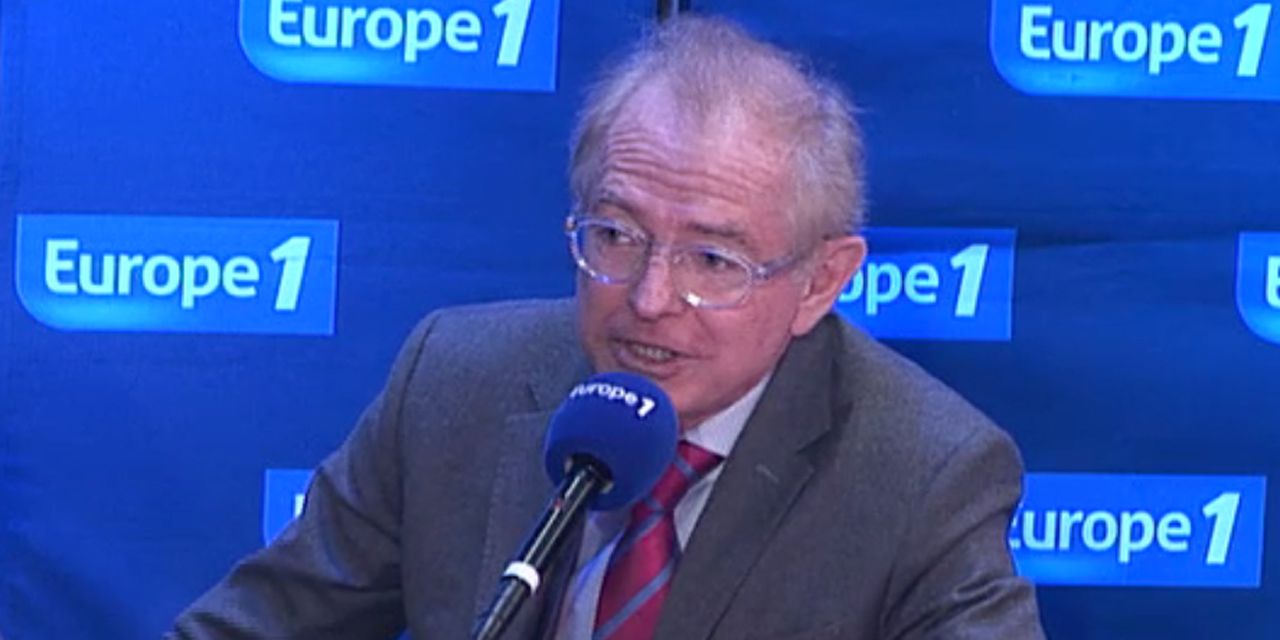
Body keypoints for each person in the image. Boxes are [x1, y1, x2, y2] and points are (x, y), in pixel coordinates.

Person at [170, 15, 1045, 640]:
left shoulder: (926, 476)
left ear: (821, 281)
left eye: (713, 260)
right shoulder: (454, 383)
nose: (650, 298)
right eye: (617, 236)